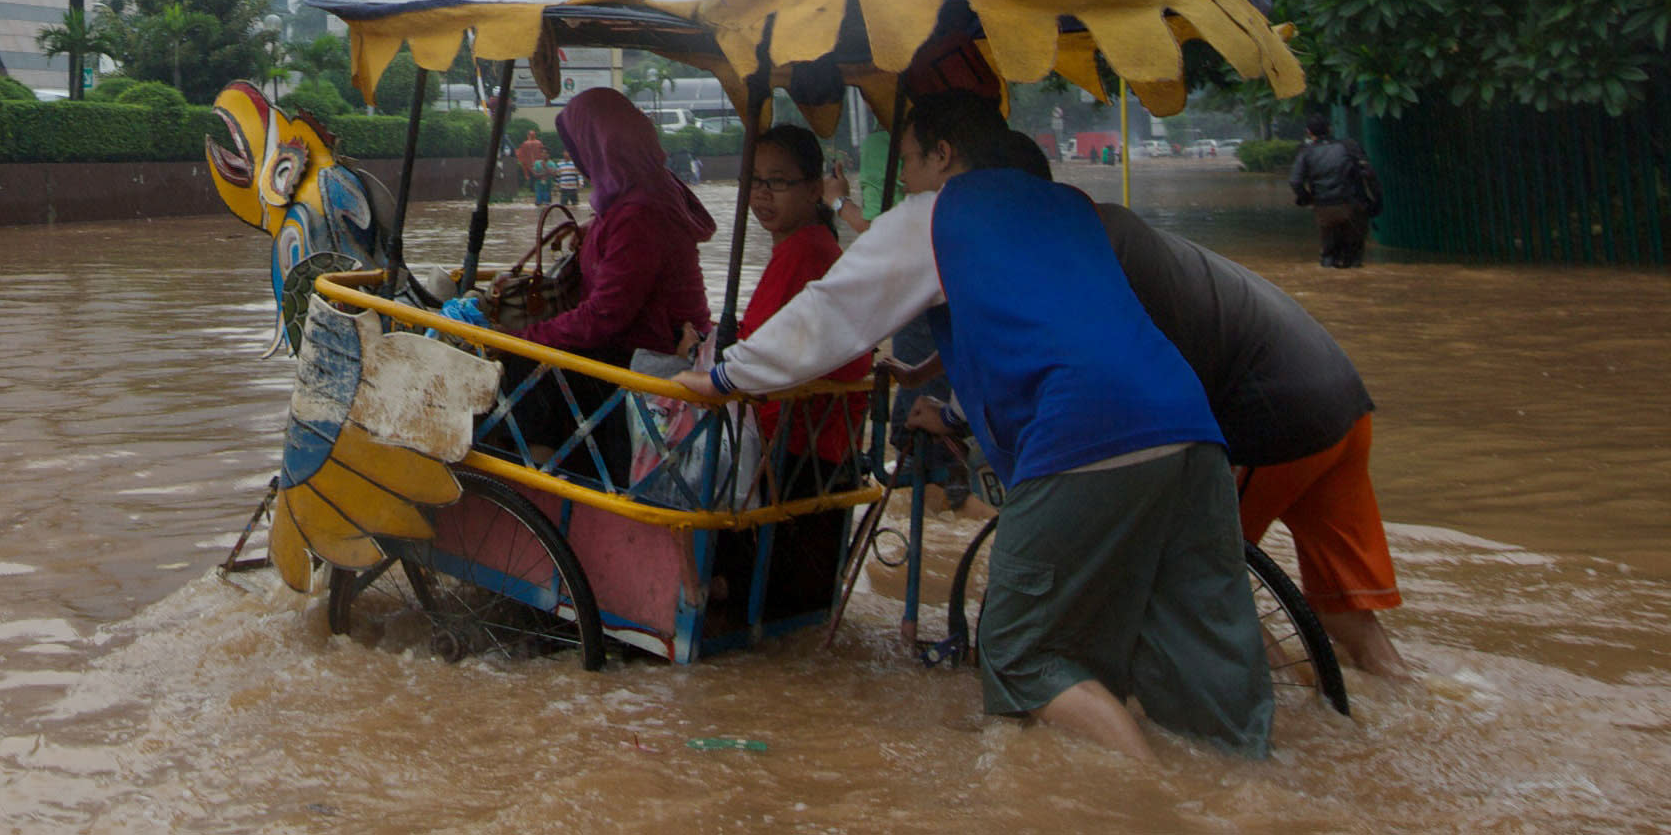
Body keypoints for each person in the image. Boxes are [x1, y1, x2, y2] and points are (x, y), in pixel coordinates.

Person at [678, 90, 1271, 762]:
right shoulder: (1069, 206)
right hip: (1189, 425)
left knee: (1020, 652)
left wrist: (726, 376)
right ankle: (1244, 791)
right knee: (1207, 659)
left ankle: (1156, 799)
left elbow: (832, 311)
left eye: (908, 160)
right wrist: (927, 363)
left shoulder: (935, 213)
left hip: (1083, 431)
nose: (904, 179)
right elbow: (1045, 315)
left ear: (943, 154)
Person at [1098, 198, 1411, 681]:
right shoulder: (1154, 251)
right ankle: (1407, 691)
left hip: (1279, 424)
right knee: (1344, 608)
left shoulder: (1099, 266)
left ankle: (1295, 701)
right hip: (1344, 405)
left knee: (1202, 572)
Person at [447, 88, 717, 488]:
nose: (575, 159)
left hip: (647, 359)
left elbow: (605, 316)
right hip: (643, 346)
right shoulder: (648, 191)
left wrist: (520, 338)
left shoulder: (638, 214)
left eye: (579, 147)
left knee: (520, 365)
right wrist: (595, 230)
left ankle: (539, 486)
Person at [708, 122, 873, 624]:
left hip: (790, 447)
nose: (762, 194)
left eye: (777, 182)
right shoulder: (810, 245)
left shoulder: (805, 251)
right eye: (755, 181)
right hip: (817, 444)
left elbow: (756, 354)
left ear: (814, 187)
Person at [1288, 113, 1379, 268]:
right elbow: (1369, 175)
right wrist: (1376, 201)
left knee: (1328, 255)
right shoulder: (1349, 146)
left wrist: (1308, 199)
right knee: (1354, 256)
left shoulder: (1306, 152)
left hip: (1324, 209)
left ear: (1309, 132)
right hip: (1352, 206)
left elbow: (1295, 181)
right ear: (1329, 129)